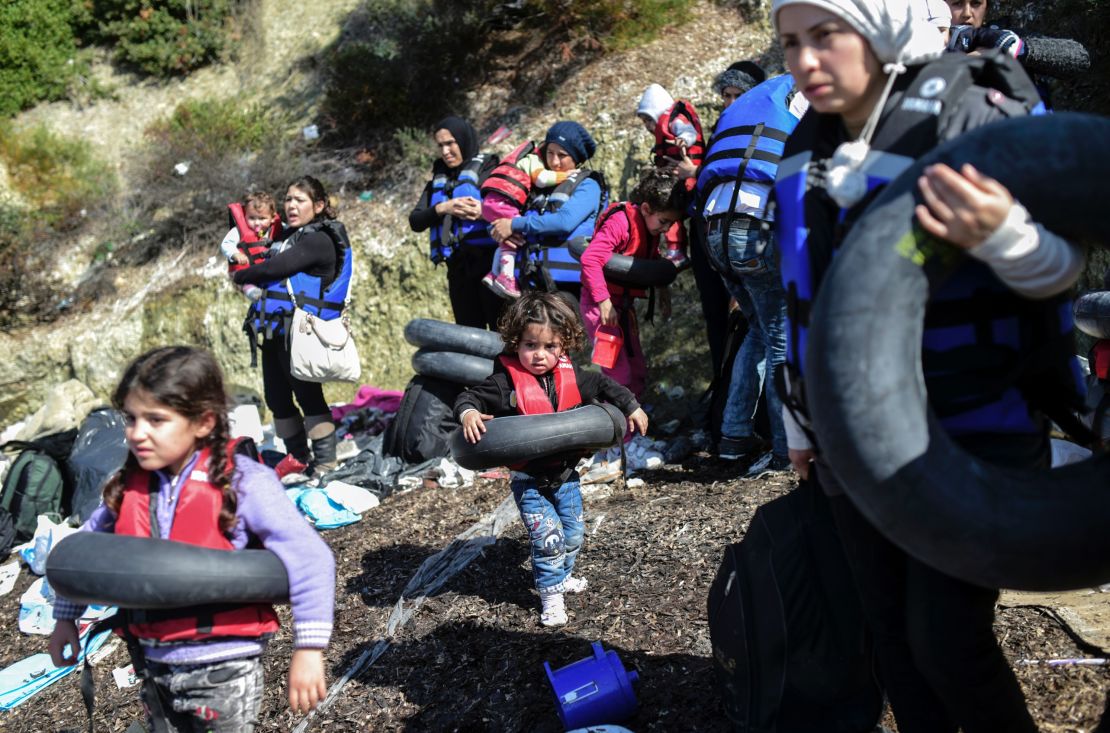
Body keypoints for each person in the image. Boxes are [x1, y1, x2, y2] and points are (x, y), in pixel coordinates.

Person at [772, 0, 1085, 730]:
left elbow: (1061, 269)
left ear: (879, 29)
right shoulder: (804, 144)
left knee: (948, 641)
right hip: (852, 444)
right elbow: (800, 296)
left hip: (971, 431)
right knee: (892, 639)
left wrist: (1003, 235)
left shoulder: (979, 110)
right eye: (790, 42)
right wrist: (798, 422)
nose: (804, 61)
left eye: (826, 36)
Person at [48, 346, 335, 731]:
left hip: (223, 670)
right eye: (130, 419)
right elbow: (85, 554)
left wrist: (309, 648)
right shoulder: (128, 488)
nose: (137, 433)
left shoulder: (243, 482)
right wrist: (65, 619)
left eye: (155, 419)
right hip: (154, 664)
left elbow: (310, 558)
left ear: (203, 422)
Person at [454, 292, 648, 626]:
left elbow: (605, 385)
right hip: (530, 482)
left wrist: (631, 405)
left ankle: (564, 575)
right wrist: (468, 412)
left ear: (564, 345)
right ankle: (551, 595)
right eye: (530, 345)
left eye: (549, 347)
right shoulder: (504, 383)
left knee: (572, 534)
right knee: (549, 539)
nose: (539, 355)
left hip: (567, 477)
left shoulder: (574, 377)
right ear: (517, 343)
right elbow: (469, 396)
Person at [696, 72, 809, 471]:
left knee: (758, 332)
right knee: (782, 340)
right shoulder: (803, 95)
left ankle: (732, 441)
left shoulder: (751, 104)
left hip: (714, 230)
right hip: (753, 228)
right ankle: (784, 451)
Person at [234, 176, 352, 477]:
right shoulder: (283, 237)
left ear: (319, 205)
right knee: (276, 399)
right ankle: (297, 459)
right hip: (275, 331)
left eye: (300, 200)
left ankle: (325, 462)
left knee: (308, 395)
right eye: (287, 199)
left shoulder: (318, 239)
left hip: (301, 331)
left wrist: (242, 274)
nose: (291, 205)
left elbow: (276, 268)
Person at [579, 169, 687, 400]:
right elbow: (590, 258)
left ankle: (635, 428)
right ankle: (621, 434)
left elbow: (650, 258)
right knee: (618, 372)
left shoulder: (650, 226)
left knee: (637, 369)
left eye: (671, 223)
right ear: (646, 208)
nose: (667, 229)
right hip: (600, 307)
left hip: (623, 308)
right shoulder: (621, 222)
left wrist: (663, 290)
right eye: (664, 221)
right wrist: (604, 302)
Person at [488, 121, 606, 300]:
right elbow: (506, 213)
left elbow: (564, 221)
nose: (554, 162)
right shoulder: (538, 182)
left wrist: (514, 224)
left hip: (568, 287)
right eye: (550, 153)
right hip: (531, 281)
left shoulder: (589, 185)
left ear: (577, 158)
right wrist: (500, 230)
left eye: (562, 155)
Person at [409, 116, 503, 329]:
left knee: (502, 334)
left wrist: (482, 212)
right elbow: (416, 221)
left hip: (490, 265)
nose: (445, 151)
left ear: (463, 140)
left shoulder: (489, 169)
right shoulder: (437, 179)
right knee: (469, 335)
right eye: (440, 145)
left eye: (450, 143)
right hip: (458, 270)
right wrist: (444, 208)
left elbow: (510, 213)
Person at [945, 0, 1090, 99]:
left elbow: (1080, 57)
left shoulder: (1008, 36)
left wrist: (1018, 50)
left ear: (986, 7)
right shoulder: (928, 46)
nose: (967, 13)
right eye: (957, 3)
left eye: (976, 3)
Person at [480, 148, 572, 300]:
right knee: (513, 241)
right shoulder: (533, 159)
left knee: (504, 241)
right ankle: (506, 278)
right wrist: (565, 176)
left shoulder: (517, 159)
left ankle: (493, 273)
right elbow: (541, 178)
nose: (554, 161)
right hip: (504, 201)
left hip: (489, 202)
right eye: (550, 154)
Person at [635, 83, 705, 266]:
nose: (648, 126)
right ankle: (673, 250)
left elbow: (688, 132)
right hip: (677, 177)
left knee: (671, 212)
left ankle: (677, 252)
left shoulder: (676, 121)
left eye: (649, 120)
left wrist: (682, 140)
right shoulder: (665, 126)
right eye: (645, 122)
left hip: (687, 177)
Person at [219, 191, 282, 302]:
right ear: (245, 216)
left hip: (268, 272)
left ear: (272, 218)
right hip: (246, 273)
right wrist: (235, 254)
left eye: (262, 218)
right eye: (252, 218)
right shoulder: (238, 231)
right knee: (247, 283)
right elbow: (226, 244)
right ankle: (252, 292)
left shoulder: (279, 229)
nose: (257, 223)